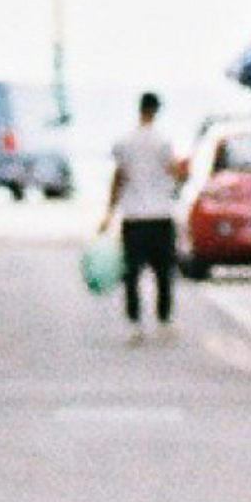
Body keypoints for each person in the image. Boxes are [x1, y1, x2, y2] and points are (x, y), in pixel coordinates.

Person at [100, 91, 185, 329]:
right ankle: (164, 318)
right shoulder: (164, 141)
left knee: (132, 272)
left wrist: (109, 213)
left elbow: (118, 178)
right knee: (164, 271)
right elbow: (175, 172)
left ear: (140, 109)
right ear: (156, 110)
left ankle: (134, 319)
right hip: (161, 215)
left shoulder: (124, 141)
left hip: (134, 216)